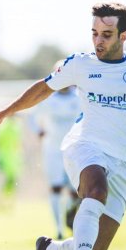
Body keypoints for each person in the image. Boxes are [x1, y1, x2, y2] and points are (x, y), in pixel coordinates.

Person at [0, 2, 126, 250]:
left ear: (124, 36)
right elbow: (43, 88)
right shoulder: (80, 64)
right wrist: (4, 112)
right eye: (94, 33)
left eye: (106, 35)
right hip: (86, 147)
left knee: (94, 248)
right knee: (96, 188)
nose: (98, 41)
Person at [29, 83, 81, 240]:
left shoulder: (80, 96)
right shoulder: (48, 98)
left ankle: (71, 221)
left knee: (77, 191)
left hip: (75, 150)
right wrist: (39, 131)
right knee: (56, 188)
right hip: (52, 151)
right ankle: (59, 229)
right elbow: (31, 117)